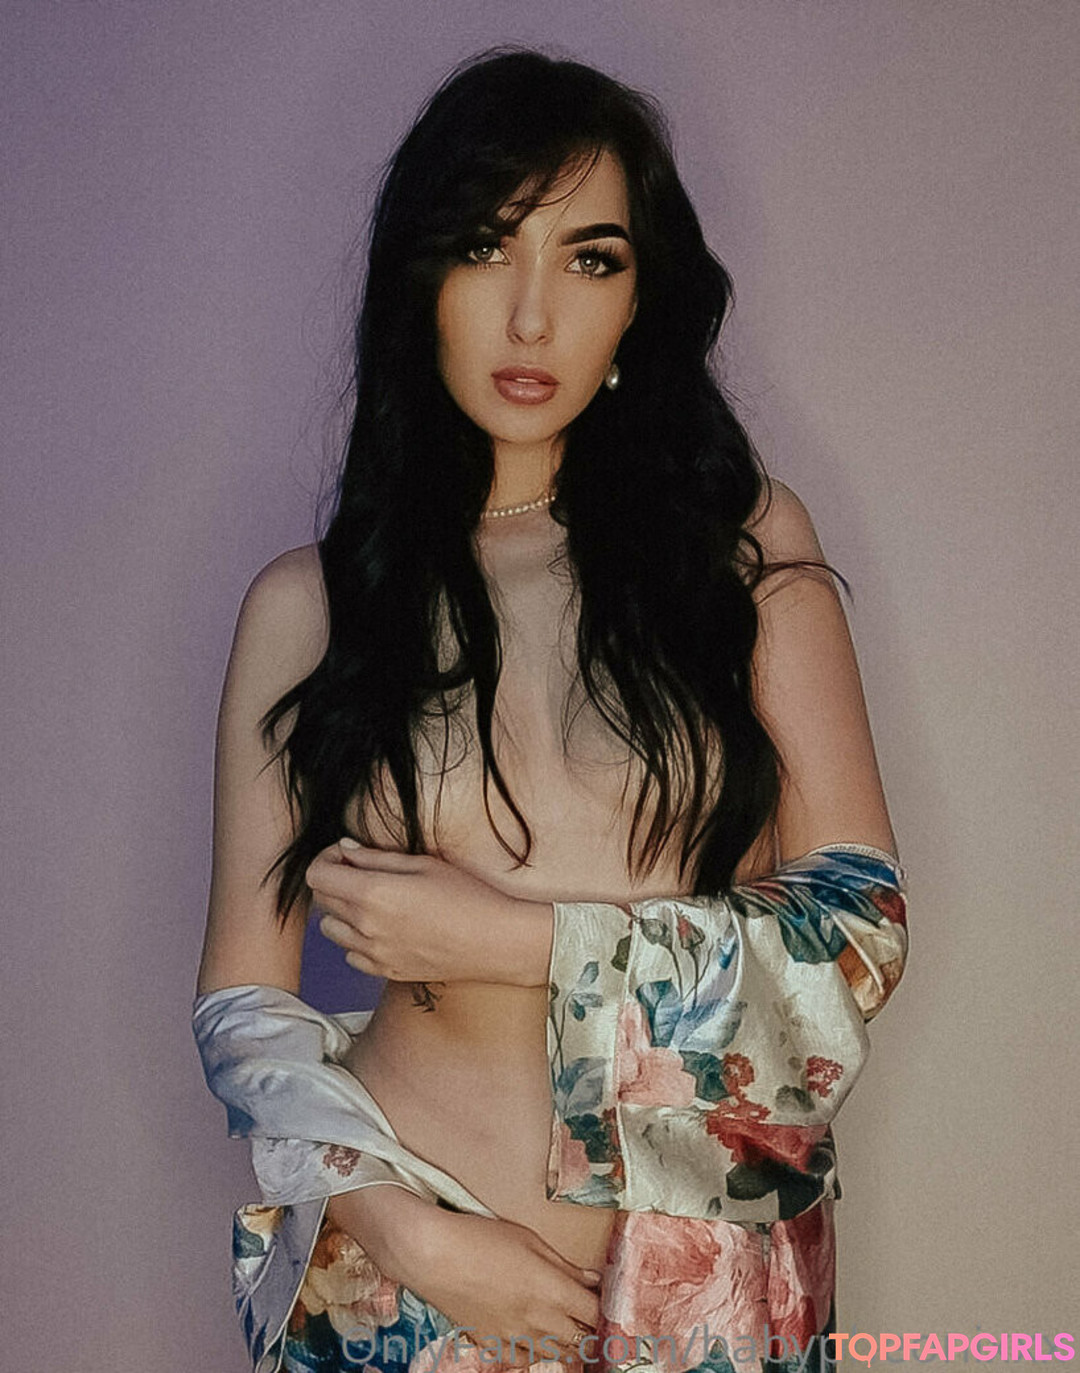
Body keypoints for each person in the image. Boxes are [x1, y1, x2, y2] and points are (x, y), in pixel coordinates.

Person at [194, 47, 908, 1373]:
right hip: (401, 1295)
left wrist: (516, 942)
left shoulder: (739, 549)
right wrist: (409, 1233)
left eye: (590, 259)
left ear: (642, 297)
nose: (532, 318)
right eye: (485, 247)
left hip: (707, 1289)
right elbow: (244, 998)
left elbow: (857, 934)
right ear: (421, 280)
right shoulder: (314, 603)